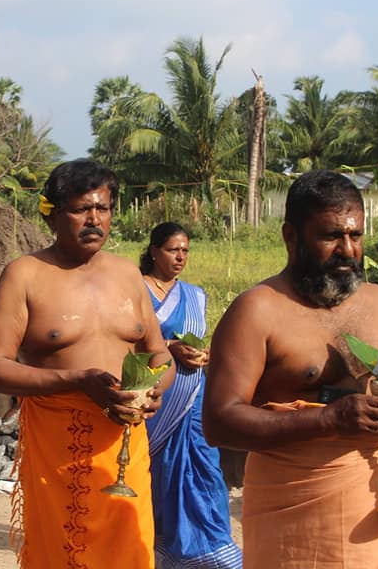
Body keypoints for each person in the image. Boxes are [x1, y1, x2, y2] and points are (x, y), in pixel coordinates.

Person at [203, 170, 378, 568]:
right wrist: (327, 421)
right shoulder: (256, 311)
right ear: (291, 236)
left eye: (356, 235)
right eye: (331, 236)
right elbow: (218, 422)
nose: (347, 250)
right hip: (299, 527)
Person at [0, 159, 175, 569]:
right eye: (81, 209)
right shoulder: (25, 275)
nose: (94, 219)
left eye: (103, 208)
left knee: (132, 549)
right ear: (52, 214)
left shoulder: (127, 275)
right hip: (60, 452)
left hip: (125, 445)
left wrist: (154, 388)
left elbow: (160, 355)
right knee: (65, 554)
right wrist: (77, 380)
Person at [140, 223, 242, 569]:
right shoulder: (136, 290)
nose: (181, 257)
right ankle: (161, 546)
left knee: (204, 469)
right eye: (173, 250)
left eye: (185, 251)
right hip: (155, 395)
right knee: (159, 473)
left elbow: (198, 337)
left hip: (192, 396)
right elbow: (126, 339)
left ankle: (211, 548)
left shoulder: (195, 295)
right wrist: (170, 346)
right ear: (154, 251)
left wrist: (204, 354)